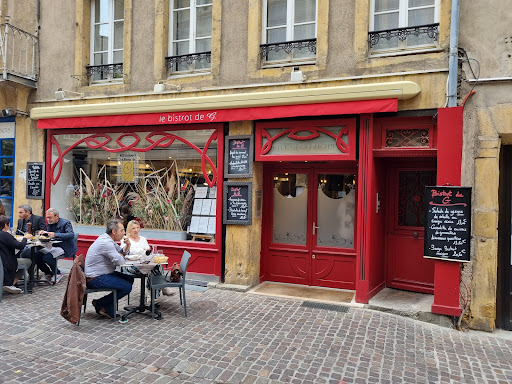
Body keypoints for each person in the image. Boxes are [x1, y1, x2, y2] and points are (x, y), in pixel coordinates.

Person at [84, 218, 134, 319]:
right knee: (127, 287)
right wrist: (120, 255)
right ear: (114, 231)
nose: (124, 233)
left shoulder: (108, 239)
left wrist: (127, 245)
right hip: (95, 277)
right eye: (122, 230)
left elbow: (120, 251)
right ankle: (100, 303)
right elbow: (120, 261)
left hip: (103, 273)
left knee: (129, 278)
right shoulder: (106, 242)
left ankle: (106, 306)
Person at [120, 220, 172, 298]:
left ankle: (152, 295)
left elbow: (147, 252)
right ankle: (158, 291)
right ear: (129, 230)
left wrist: (136, 252)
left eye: (137, 228)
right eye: (133, 228)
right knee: (154, 268)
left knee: (155, 267)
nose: (136, 230)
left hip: (144, 264)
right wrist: (140, 251)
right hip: (130, 266)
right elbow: (124, 252)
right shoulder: (126, 240)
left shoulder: (143, 239)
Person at [36, 208, 78, 284]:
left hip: (64, 246)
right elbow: (50, 235)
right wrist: (44, 233)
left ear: (57, 216)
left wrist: (55, 234)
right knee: (36, 255)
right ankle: (48, 273)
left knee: (47, 257)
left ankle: (58, 273)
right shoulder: (50, 223)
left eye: (50, 217)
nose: (48, 220)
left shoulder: (66, 223)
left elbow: (71, 235)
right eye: (47, 217)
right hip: (53, 246)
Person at [0, 215, 32, 293]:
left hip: (2, 259)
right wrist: (25, 238)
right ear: (5, 225)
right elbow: (20, 246)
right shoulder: (5, 235)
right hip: (7, 261)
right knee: (28, 261)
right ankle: (12, 283)